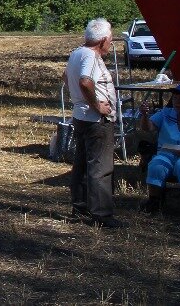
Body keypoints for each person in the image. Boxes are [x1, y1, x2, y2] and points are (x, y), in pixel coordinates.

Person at [65, 18, 124, 228]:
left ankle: (80, 208)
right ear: (103, 40)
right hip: (95, 120)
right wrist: (96, 106)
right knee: (100, 165)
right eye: (110, 39)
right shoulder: (90, 56)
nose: (111, 43)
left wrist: (78, 100)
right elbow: (85, 82)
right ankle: (101, 214)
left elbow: (66, 77)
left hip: (80, 117)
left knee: (81, 164)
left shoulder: (76, 53)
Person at [137, 83, 180, 213]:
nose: (177, 102)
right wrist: (145, 115)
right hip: (166, 153)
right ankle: (154, 201)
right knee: (156, 165)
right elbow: (148, 128)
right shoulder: (166, 113)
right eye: (175, 98)